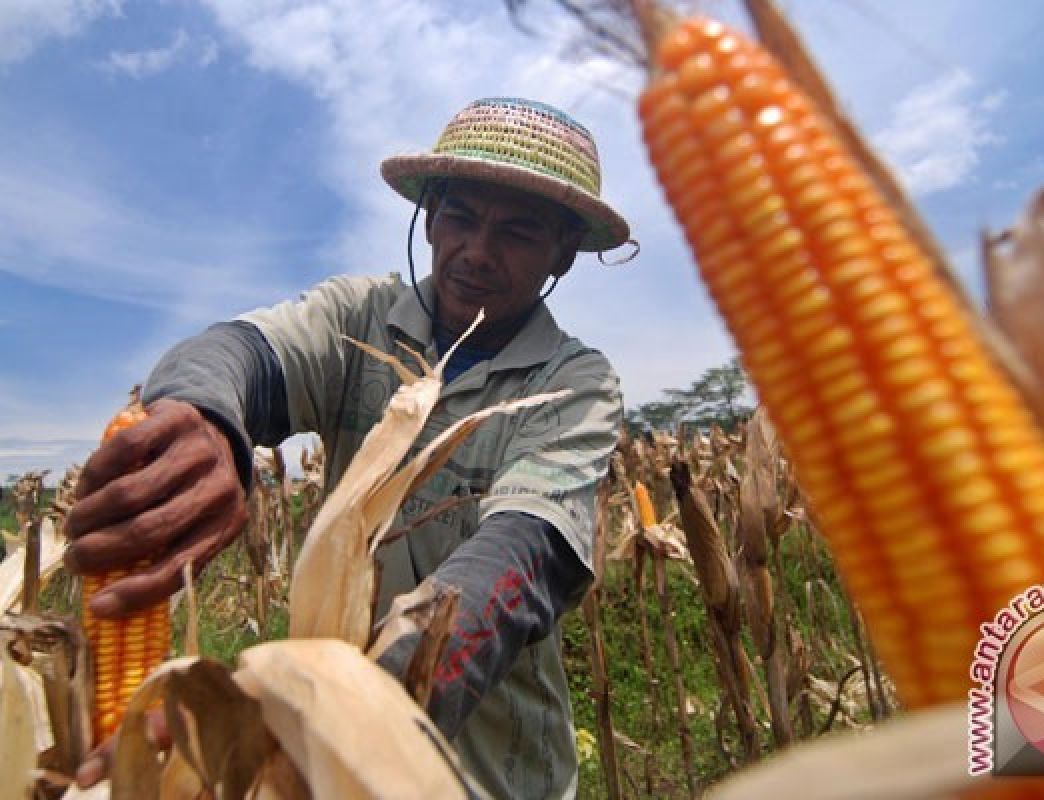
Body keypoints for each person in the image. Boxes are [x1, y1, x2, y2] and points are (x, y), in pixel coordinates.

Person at [64, 96, 632, 800]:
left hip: (493, 775)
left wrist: (318, 729)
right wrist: (206, 417)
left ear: (563, 256)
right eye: (460, 218)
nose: (477, 253)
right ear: (428, 218)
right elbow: (239, 351)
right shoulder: (357, 317)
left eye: (517, 232)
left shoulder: (574, 383)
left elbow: (520, 557)